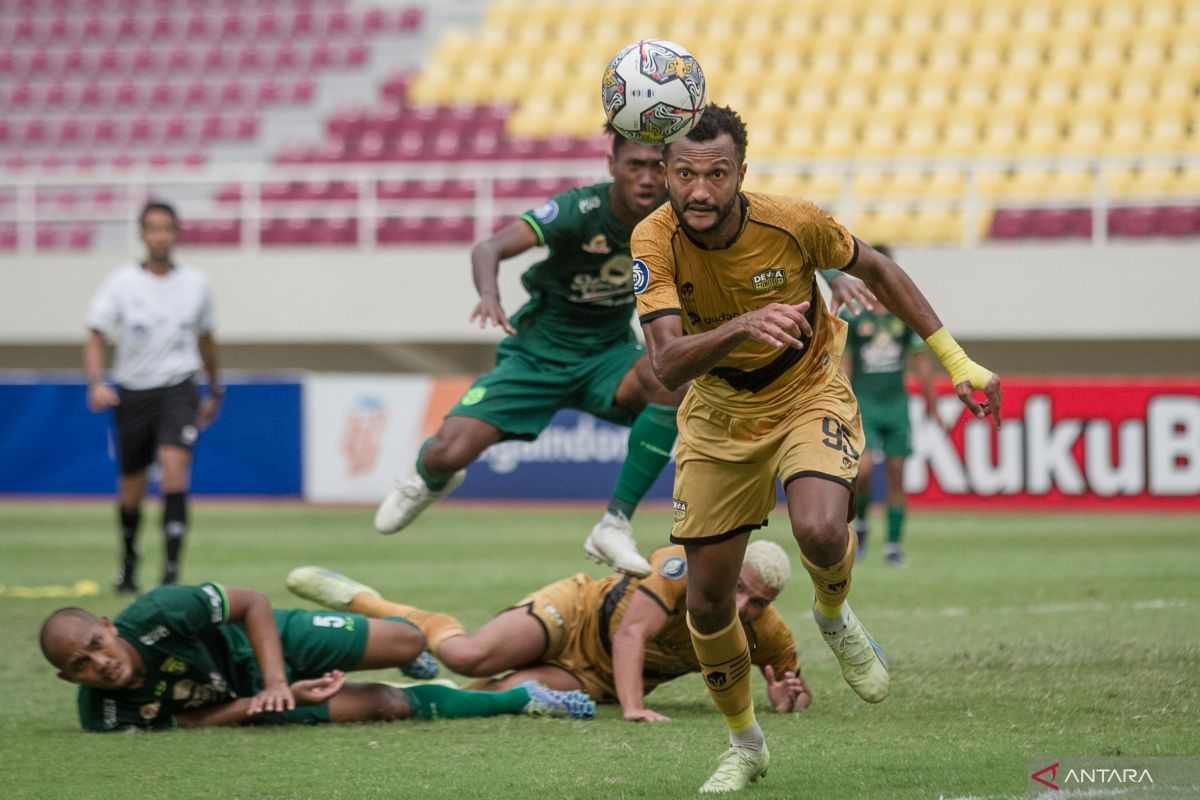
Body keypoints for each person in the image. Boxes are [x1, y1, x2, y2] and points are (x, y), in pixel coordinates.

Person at [631, 105, 1003, 792]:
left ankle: (832, 614)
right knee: (709, 605)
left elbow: (881, 270)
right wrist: (744, 324)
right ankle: (746, 746)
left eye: (717, 173)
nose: (701, 191)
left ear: (743, 173)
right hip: (716, 415)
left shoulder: (794, 220)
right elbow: (667, 364)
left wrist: (957, 362)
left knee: (822, 528)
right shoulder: (652, 241)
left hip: (806, 391)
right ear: (665, 174)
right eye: (685, 174)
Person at [374, 127, 875, 578]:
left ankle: (614, 522)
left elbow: (775, 239)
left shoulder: (683, 221)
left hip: (608, 358)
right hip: (535, 357)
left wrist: (834, 271)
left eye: (648, 168)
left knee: (670, 380)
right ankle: (428, 477)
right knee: (448, 450)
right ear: (611, 165)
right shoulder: (579, 210)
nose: (642, 179)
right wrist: (488, 293)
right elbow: (488, 248)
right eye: (630, 166)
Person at [286, 539, 810, 721]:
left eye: (759, 602)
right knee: (469, 657)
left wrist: (786, 697)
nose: (743, 607)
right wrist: (632, 708)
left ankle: (396, 681)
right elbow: (632, 635)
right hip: (577, 612)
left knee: (485, 697)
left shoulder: (767, 632)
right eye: (739, 589)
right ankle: (370, 603)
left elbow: (791, 689)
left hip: (597, 679)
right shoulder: (680, 567)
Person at [39, 582, 595, 732]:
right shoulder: (104, 716)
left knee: (409, 642)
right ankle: (526, 698)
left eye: (95, 645)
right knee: (385, 706)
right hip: (253, 699)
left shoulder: (162, 609)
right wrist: (268, 702)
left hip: (266, 644)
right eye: (80, 666)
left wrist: (277, 678)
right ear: (69, 680)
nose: (98, 663)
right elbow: (186, 722)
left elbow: (252, 602)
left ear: (108, 627)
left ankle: (370, 605)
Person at [83, 201, 223, 593]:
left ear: (177, 233)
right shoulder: (121, 283)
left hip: (179, 387)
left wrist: (214, 386)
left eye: (168, 228)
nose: (161, 235)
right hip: (132, 391)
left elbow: (206, 338)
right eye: (153, 228)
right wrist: (97, 381)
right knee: (133, 487)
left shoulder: (196, 284)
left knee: (174, 469)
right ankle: (129, 560)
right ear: (143, 235)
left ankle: (171, 572)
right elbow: (95, 334)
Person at [840, 243, 942, 565]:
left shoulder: (904, 313)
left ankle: (894, 545)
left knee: (897, 472)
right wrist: (843, 403)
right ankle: (865, 526)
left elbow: (919, 362)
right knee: (865, 470)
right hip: (865, 404)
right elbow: (845, 362)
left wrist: (933, 404)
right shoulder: (852, 313)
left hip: (897, 405)